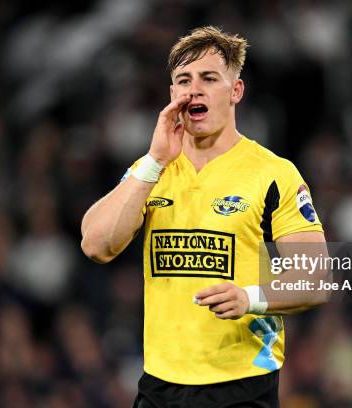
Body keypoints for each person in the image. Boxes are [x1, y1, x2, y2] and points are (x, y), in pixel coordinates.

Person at [81, 26, 327, 408]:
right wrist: (155, 160)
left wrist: (251, 298)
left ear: (235, 91)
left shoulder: (273, 173)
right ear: (172, 95)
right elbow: (96, 245)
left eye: (209, 78)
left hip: (242, 387)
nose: (194, 89)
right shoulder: (150, 171)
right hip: (160, 387)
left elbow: (314, 277)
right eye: (183, 80)